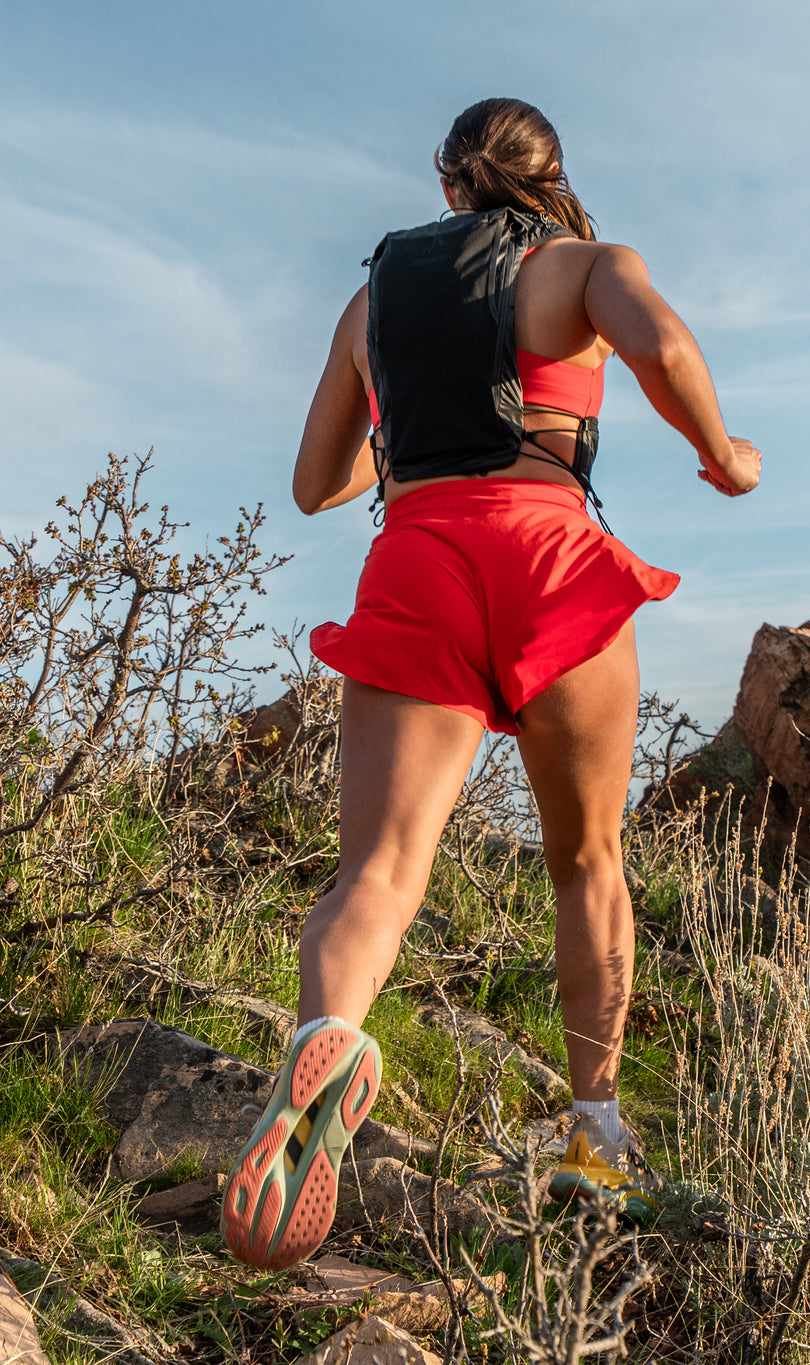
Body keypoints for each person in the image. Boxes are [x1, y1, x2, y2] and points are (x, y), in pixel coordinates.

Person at [221, 97, 761, 1271]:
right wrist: (724, 455)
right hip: (551, 556)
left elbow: (318, 482)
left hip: (421, 557)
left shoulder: (374, 304)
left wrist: (407, 421)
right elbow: (663, 346)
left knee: (379, 869)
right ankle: (595, 1137)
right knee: (587, 858)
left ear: (448, 183)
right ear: (548, 173)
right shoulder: (586, 265)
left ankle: (329, 1037)